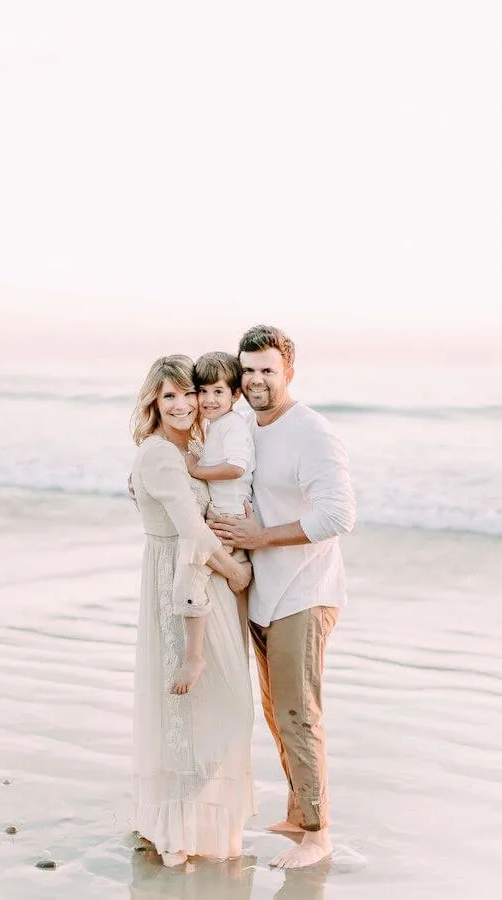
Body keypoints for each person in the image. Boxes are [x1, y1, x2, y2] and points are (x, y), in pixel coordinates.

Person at [210, 325, 355, 870]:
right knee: (276, 711)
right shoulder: (245, 425)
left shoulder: (313, 433)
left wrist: (260, 538)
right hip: (264, 592)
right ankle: (298, 813)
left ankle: (318, 835)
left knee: (298, 712)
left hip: (306, 591)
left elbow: (338, 515)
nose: (256, 380)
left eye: (267, 370)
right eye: (247, 370)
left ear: (289, 371)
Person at [129, 354, 255, 867]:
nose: (182, 405)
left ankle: (191, 822)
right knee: (197, 708)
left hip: (202, 579)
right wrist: (238, 573)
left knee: (219, 709)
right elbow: (193, 530)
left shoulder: (195, 448)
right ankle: (177, 830)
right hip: (181, 584)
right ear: (153, 404)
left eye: (188, 394)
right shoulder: (161, 454)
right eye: (169, 396)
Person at [184, 351, 255, 645]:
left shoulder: (232, 425)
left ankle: (197, 647)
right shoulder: (217, 425)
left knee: (195, 574)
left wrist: (198, 470)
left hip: (229, 516)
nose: (209, 399)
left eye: (218, 391)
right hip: (221, 511)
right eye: (203, 391)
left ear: (235, 394)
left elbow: (236, 467)